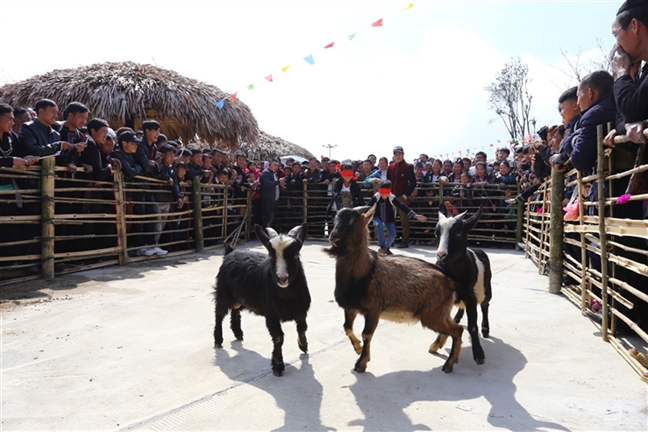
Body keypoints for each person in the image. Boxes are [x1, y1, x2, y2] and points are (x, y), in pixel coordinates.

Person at [366, 180, 426, 255]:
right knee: (379, 225)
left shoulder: (392, 197)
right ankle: (382, 246)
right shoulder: (376, 196)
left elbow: (402, 206)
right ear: (379, 189)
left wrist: (415, 215)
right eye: (382, 191)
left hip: (389, 218)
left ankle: (386, 248)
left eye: (386, 192)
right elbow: (368, 206)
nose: (384, 194)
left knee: (393, 234)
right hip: (378, 216)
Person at [387, 146, 416, 248]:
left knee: (404, 219)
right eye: (396, 154)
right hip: (391, 196)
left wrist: (406, 194)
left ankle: (405, 240)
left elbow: (413, 182)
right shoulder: (390, 167)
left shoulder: (408, 166)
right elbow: (388, 181)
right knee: (390, 218)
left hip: (402, 196)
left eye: (399, 154)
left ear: (403, 155)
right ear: (393, 155)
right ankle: (392, 239)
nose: (398, 156)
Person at [259, 158, 284, 229]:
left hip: (273, 200)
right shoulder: (266, 173)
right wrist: (278, 182)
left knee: (271, 218)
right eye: (274, 165)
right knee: (268, 218)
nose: (276, 167)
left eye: (277, 166)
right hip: (268, 200)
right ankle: (265, 234)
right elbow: (268, 184)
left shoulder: (274, 174)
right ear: (269, 165)